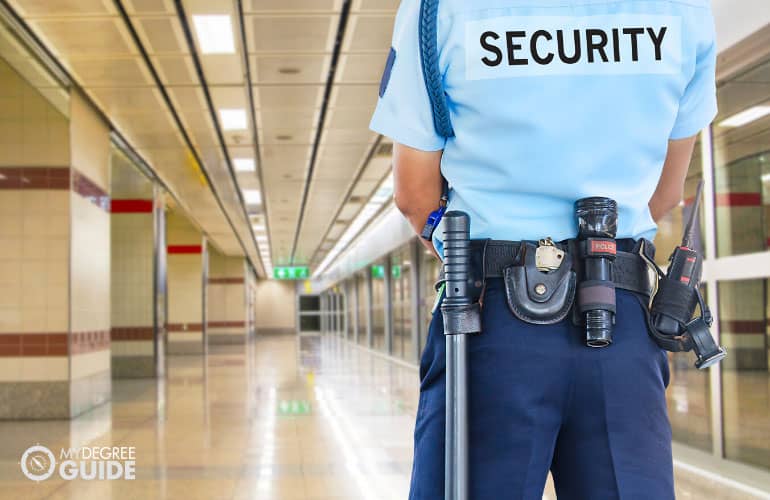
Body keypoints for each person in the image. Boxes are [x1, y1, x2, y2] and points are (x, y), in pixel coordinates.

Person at [369, 0, 717, 499]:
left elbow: (414, 195)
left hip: (486, 324)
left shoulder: (437, 10)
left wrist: (461, 250)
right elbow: (664, 194)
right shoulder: (684, 10)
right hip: (623, 324)